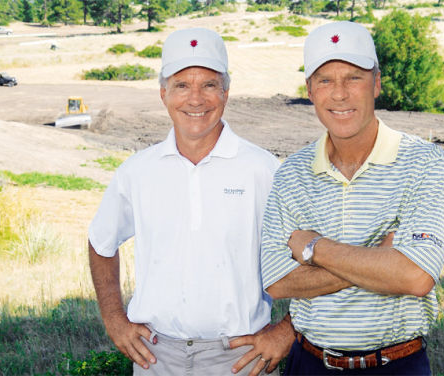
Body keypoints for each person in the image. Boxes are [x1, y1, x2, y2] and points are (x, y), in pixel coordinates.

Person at [88, 27, 294, 376]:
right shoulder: (138, 171)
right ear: (163, 94)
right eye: (182, 85)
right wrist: (114, 319)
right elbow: (100, 242)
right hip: (156, 358)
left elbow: (315, 260)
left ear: (226, 93)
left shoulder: (263, 170)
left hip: (242, 359)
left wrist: (285, 332)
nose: (195, 99)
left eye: (209, 85)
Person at [260, 21, 444, 375]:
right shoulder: (291, 173)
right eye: (325, 80)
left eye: (353, 77)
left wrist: (313, 248)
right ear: (310, 90)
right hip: (309, 363)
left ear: (376, 83)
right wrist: (381, 260)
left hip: (396, 364)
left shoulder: (423, 161)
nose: (339, 93)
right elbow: (278, 280)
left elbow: (416, 276)